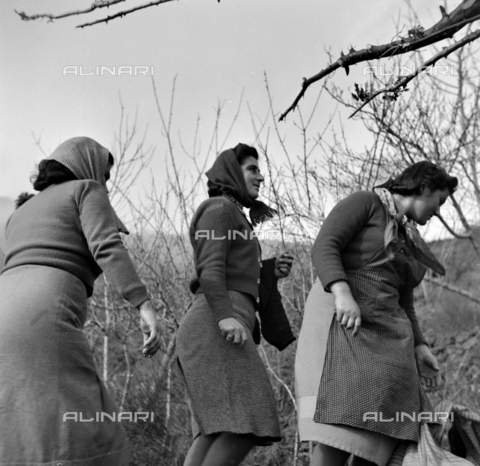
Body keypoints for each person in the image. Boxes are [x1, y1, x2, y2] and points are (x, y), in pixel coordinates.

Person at [0, 136, 161, 465]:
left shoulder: (21, 211)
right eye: (106, 173)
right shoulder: (87, 189)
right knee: (87, 412)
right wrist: (143, 303)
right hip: (44, 313)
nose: (106, 182)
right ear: (86, 166)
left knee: (22, 416)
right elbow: (108, 247)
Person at [295, 161, 458, 466]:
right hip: (343, 326)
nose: (438, 211)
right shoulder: (366, 203)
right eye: (440, 201)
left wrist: (420, 346)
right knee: (342, 428)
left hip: (384, 334)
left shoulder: (407, 237)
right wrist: (342, 292)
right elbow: (324, 245)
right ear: (423, 186)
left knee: (389, 428)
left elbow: (404, 300)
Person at [176, 144, 296, 466]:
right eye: (252, 169)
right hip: (215, 325)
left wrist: (270, 269)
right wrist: (225, 318)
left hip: (218, 323)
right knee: (248, 420)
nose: (261, 176)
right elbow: (211, 269)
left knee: (216, 431)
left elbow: (234, 272)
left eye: (260, 169)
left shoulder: (233, 215)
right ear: (231, 172)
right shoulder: (218, 209)